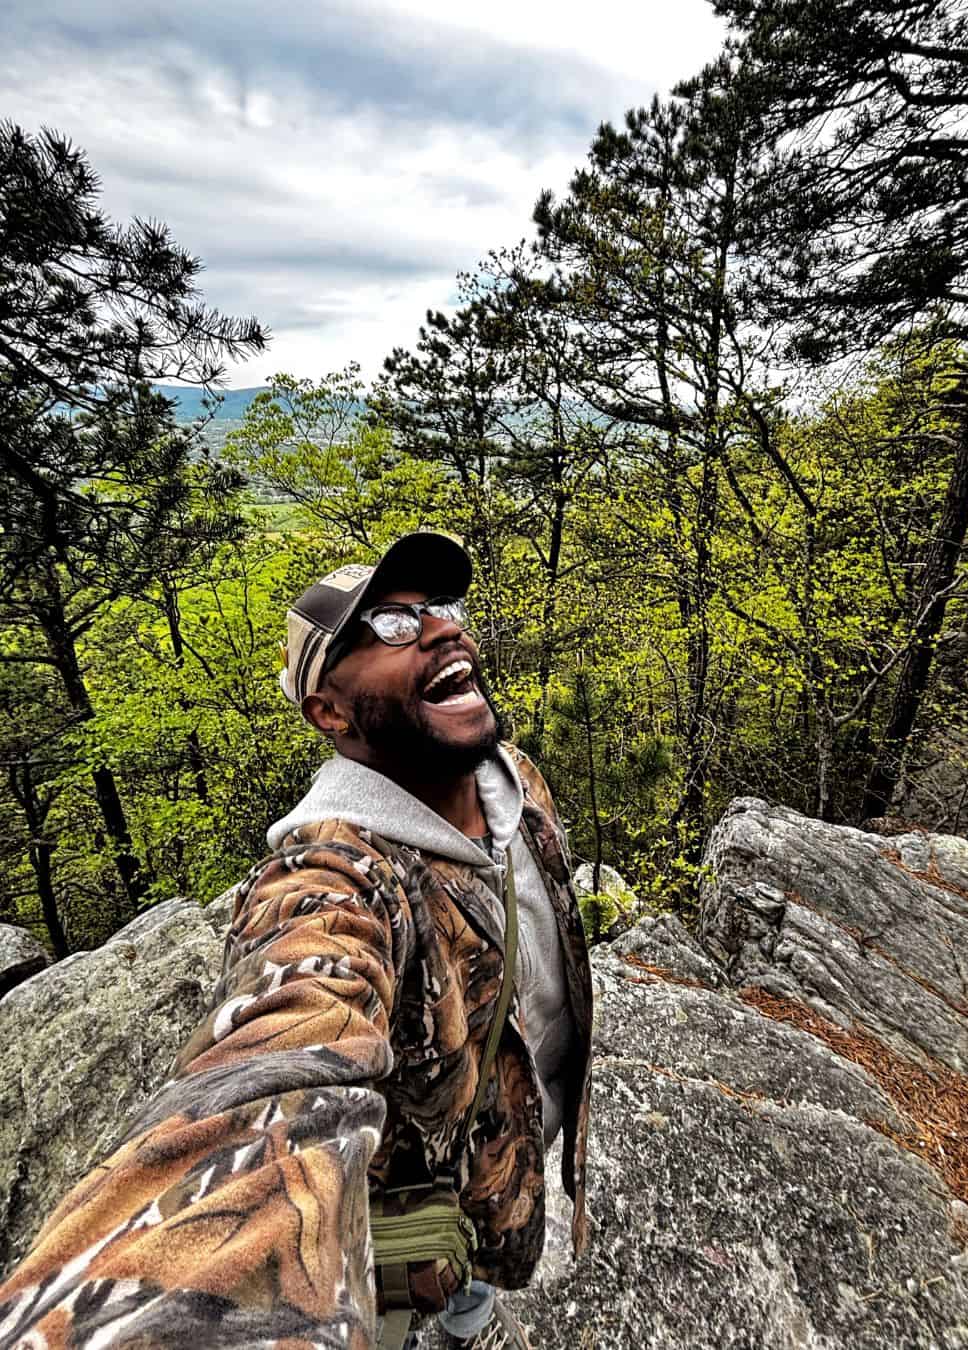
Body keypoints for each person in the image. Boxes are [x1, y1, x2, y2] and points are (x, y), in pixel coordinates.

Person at [0, 530, 593, 1350]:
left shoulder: (516, 782)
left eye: (439, 610)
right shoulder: (334, 878)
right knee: (451, 1298)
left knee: (482, 1276)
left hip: (512, 1173)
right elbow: (273, 1063)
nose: (442, 630)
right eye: (387, 628)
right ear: (328, 711)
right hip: (425, 1238)